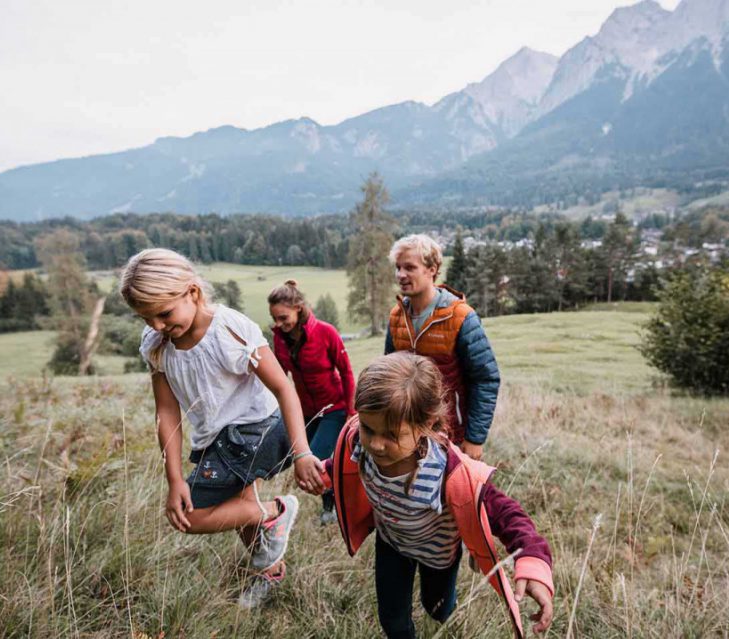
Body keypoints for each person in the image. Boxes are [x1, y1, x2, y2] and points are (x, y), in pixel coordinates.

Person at [119, 248, 324, 608]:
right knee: (238, 507)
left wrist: (303, 451)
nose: (157, 326)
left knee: (190, 515)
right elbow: (166, 412)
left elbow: (283, 388)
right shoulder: (156, 345)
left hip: (257, 431)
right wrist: (175, 478)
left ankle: (276, 512)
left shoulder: (229, 329)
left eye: (164, 314)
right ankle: (269, 574)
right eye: (146, 318)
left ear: (193, 293)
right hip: (216, 440)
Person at [320, 353, 554, 639]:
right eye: (369, 428)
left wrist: (532, 561)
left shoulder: (449, 472)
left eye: (392, 435)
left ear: (427, 424)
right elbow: (343, 462)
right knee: (392, 619)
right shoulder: (359, 441)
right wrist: (322, 473)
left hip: (438, 555)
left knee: (437, 609)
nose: (376, 445)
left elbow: (508, 514)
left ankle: (443, 607)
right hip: (392, 543)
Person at [385, 234, 500, 460]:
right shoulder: (396, 317)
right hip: (407, 432)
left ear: (432, 269)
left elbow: (486, 378)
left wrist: (475, 438)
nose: (400, 275)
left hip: (452, 433)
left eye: (409, 267)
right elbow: (389, 377)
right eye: (398, 267)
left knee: (455, 494)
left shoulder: (461, 317)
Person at [268, 279, 355, 525]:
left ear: (298, 307)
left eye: (283, 317)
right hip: (305, 411)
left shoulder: (325, 332)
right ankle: (332, 506)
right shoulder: (280, 338)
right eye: (275, 319)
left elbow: (347, 372)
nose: (279, 324)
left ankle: (335, 511)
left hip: (334, 409)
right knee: (303, 459)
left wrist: (350, 411)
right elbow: (279, 377)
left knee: (314, 460)